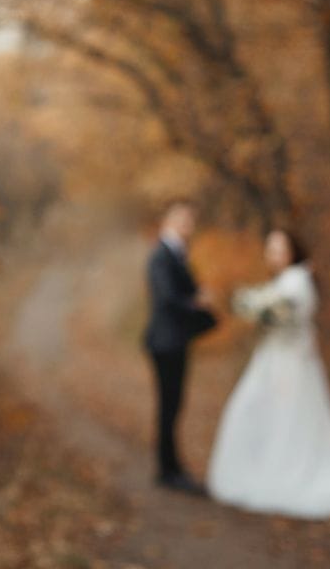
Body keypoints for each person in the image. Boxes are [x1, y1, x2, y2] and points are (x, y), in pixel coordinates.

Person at [207, 229, 330, 517]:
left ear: (292, 250)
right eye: (270, 248)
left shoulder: (297, 283)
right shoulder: (288, 280)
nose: (272, 255)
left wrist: (247, 306)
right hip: (274, 360)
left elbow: (279, 317)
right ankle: (264, 470)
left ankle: (283, 476)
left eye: (278, 249)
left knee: (282, 419)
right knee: (259, 415)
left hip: (289, 365)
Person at [144, 200, 217, 494]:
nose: (190, 226)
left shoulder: (175, 254)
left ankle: (170, 467)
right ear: (170, 220)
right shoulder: (161, 255)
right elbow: (167, 298)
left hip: (174, 340)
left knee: (173, 405)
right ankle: (168, 470)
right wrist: (197, 302)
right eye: (185, 220)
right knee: (169, 405)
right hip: (165, 341)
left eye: (192, 220)